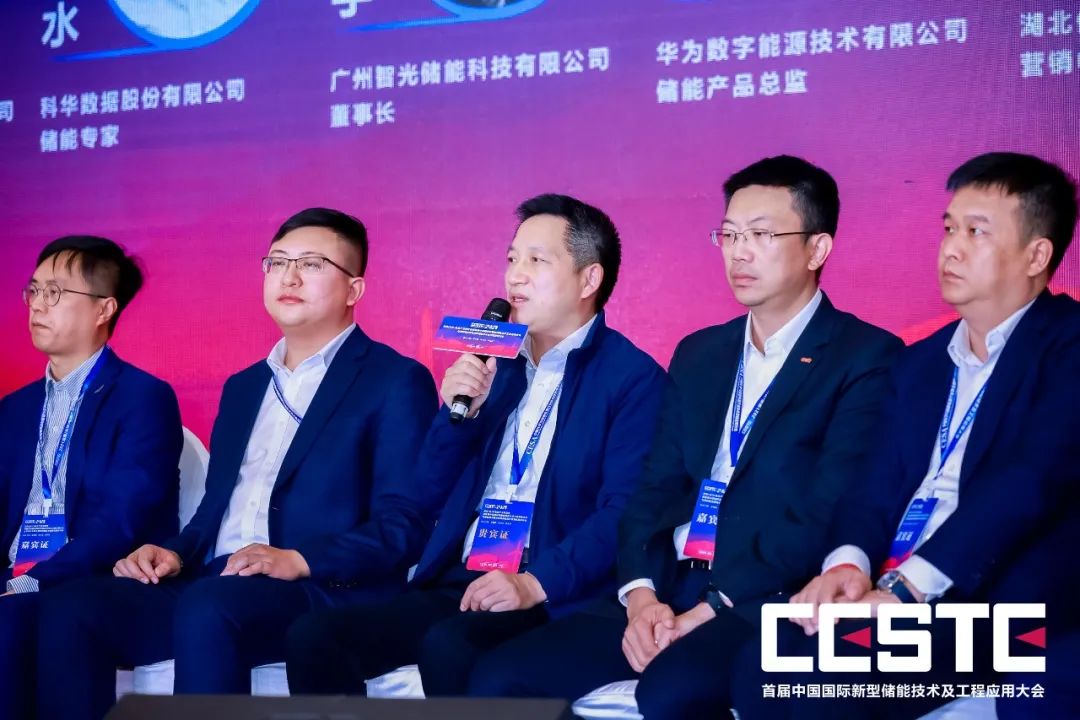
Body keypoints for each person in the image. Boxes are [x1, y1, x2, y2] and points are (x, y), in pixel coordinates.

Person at [464, 156, 902, 720]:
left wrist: (713, 606)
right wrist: (641, 595)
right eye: (729, 234)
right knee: (500, 678)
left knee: (672, 692)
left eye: (762, 235)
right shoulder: (701, 353)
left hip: (760, 593)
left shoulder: (866, 356)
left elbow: (827, 507)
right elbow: (654, 489)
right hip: (669, 584)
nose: (739, 252)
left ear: (817, 249)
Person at [40, 208, 437, 720]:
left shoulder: (395, 380)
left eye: (311, 264)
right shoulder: (244, 386)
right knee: (72, 607)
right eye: (277, 262)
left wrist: (298, 559)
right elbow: (214, 513)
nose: (289, 277)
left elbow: (403, 524)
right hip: (216, 578)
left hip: (318, 589)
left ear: (353, 289)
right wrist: (173, 552)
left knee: (211, 607)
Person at [734, 152, 1080, 719]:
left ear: (1037, 255)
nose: (951, 248)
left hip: (1004, 606)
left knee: (828, 679)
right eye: (949, 228)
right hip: (893, 586)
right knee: (762, 665)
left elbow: (1027, 485)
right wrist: (847, 567)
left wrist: (904, 590)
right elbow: (873, 483)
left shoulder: (1068, 348)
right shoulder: (920, 362)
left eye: (976, 232)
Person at [285, 193, 666, 697]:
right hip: (467, 576)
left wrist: (533, 583)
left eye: (536, 261)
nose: (515, 277)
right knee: (316, 637)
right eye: (511, 259)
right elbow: (424, 492)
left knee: (451, 645)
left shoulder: (632, 378)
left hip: (554, 589)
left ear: (589, 279)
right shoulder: (494, 363)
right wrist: (457, 417)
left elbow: (624, 512)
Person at [0, 235, 183, 720]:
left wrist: (31, 582)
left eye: (55, 293)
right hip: (16, 576)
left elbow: (120, 523)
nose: (38, 305)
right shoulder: (15, 409)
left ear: (104, 309)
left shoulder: (142, 398)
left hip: (97, 579)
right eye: (34, 290)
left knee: (13, 618)